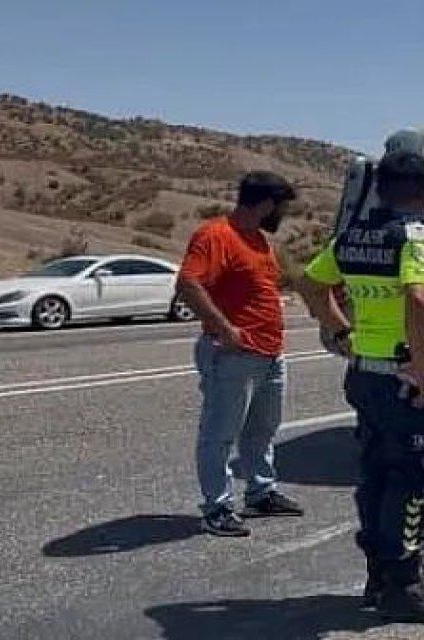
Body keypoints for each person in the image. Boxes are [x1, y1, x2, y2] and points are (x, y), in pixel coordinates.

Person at [296, 150, 424, 624]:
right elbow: (419, 296)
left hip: (366, 375)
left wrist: (342, 332)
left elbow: (310, 285)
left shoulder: (355, 236)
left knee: (375, 473)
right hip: (404, 377)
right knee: (415, 476)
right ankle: (406, 585)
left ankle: (378, 575)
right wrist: (419, 367)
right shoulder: (417, 238)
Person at [176, 170, 305, 537]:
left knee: (263, 428)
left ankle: (260, 493)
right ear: (265, 204)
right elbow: (188, 283)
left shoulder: (260, 241)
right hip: (233, 355)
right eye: (281, 206)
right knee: (220, 433)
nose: (282, 214)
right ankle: (216, 506)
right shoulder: (216, 236)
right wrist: (223, 328)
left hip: (269, 353)